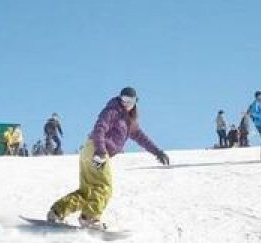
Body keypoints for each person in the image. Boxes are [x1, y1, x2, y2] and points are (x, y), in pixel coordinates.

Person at [47, 87, 169, 230]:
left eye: (130, 101)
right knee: (104, 187)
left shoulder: (129, 121)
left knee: (88, 191)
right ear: (119, 98)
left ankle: (57, 211)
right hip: (97, 150)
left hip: (90, 151)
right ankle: (90, 218)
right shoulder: (113, 111)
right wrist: (100, 151)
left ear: (136, 102)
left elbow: (142, 138)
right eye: (124, 100)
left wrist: (157, 152)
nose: (126, 104)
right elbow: (100, 128)